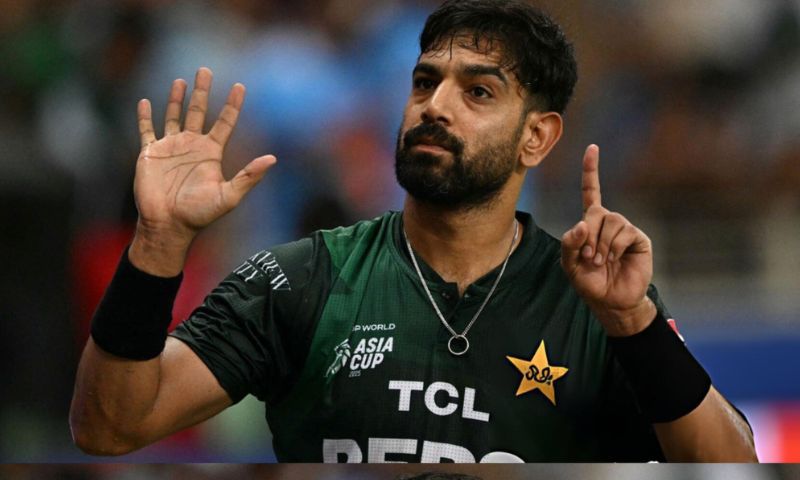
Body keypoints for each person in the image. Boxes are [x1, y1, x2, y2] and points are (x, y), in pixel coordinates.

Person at [70, 0, 757, 462]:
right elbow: (108, 427)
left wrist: (633, 322)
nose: (435, 106)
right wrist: (159, 242)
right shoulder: (303, 280)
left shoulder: (594, 303)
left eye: (477, 92)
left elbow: (732, 462)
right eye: (425, 82)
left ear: (538, 137)